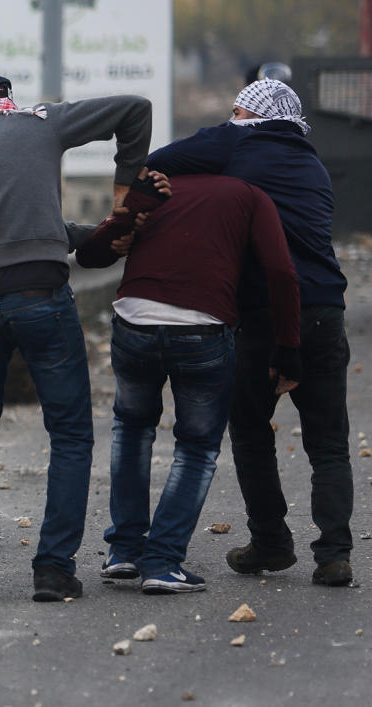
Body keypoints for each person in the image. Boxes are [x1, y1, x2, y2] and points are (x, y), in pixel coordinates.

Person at [0, 74, 152, 601]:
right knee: (72, 435)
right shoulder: (40, 123)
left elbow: (16, 227)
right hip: (41, 296)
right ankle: (53, 568)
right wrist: (123, 200)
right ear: (8, 102)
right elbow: (136, 109)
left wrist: (89, 234)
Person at [147, 79, 355, 586]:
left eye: (236, 109)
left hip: (263, 314)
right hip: (325, 312)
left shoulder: (235, 141)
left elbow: (161, 159)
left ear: (250, 112)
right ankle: (334, 555)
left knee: (250, 429)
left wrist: (221, 133)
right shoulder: (313, 162)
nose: (232, 115)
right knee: (328, 442)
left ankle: (270, 542)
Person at [76, 172, 301, 593]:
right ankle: (161, 561)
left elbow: (91, 253)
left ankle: (123, 551)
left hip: (133, 320)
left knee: (131, 428)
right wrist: (288, 348)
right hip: (202, 328)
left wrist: (130, 213)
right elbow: (279, 270)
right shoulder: (249, 192)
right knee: (196, 448)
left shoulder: (161, 186)